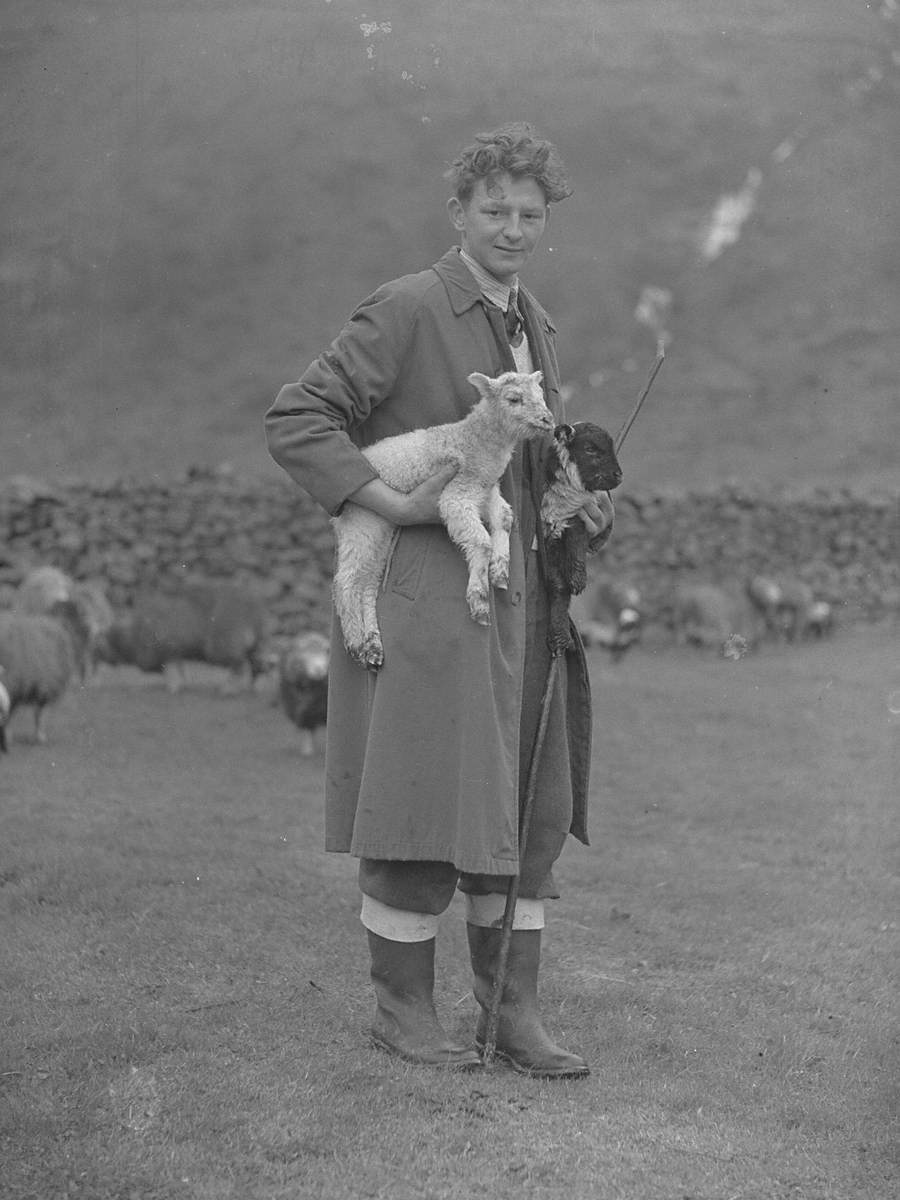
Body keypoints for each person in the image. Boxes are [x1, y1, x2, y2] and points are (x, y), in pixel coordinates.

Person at [265, 122, 615, 1078]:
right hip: (429, 606)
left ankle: (512, 1014)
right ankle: (403, 1013)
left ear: (547, 222)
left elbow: (520, 458)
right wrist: (389, 501)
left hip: (522, 608)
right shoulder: (411, 306)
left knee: (521, 814)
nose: (511, 227)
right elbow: (298, 418)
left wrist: (573, 504)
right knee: (422, 801)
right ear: (457, 212)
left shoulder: (530, 320)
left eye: (529, 213)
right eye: (492, 209)